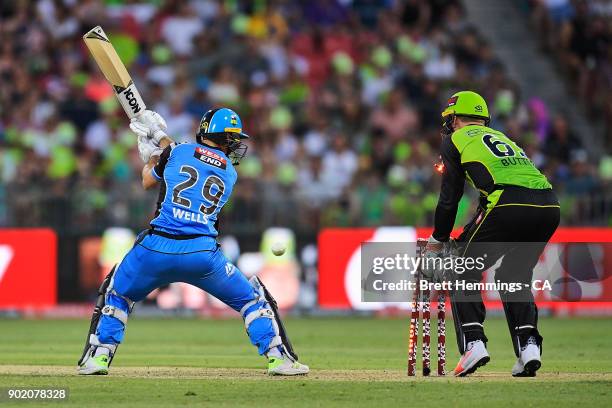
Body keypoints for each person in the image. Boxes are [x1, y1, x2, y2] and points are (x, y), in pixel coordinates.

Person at [77, 108, 309, 376]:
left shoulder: (176, 152)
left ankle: (99, 357)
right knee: (253, 300)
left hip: (155, 249)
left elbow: (147, 179)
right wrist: (161, 142)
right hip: (202, 255)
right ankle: (279, 359)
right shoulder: (228, 173)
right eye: (230, 138)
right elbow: (184, 154)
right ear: (220, 139)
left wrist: (152, 155)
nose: (233, 144)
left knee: (116, 293)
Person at [424, 91, 560, 377]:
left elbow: (450, 197)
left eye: (450, 120)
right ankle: (529, 346)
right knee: (514, 275)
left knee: (461, 266)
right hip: (548, 205)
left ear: (455, 118)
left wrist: (439, 238)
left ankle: (473, 343)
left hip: (508, 203)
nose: (448, 126)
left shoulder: (456, 139)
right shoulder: (503, 138)